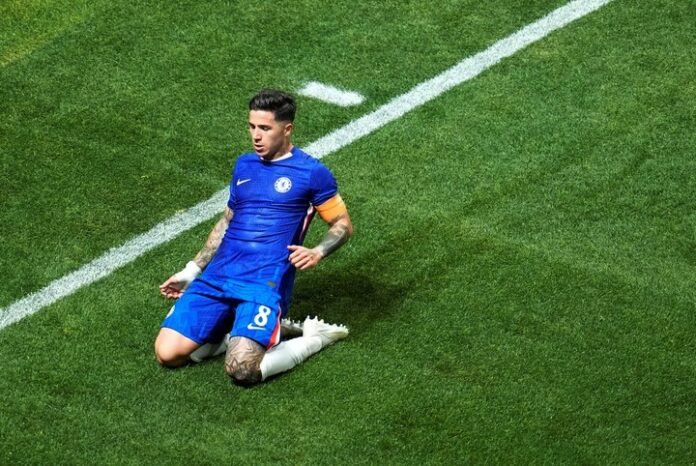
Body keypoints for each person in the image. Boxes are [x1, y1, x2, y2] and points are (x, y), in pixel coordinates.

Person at [154, 89, 353, 386]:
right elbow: (227, 220)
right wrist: (192, 270)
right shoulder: (244, 165)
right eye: (252, 127)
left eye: (265, 128)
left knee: (242, 369)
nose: (256, 136)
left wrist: (318, 251)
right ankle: (242, 330)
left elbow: (342, 224)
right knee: (167, 354)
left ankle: (316, 337)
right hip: (219, 276)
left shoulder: (312, 172)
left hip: (263, 284)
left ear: (287, 129)